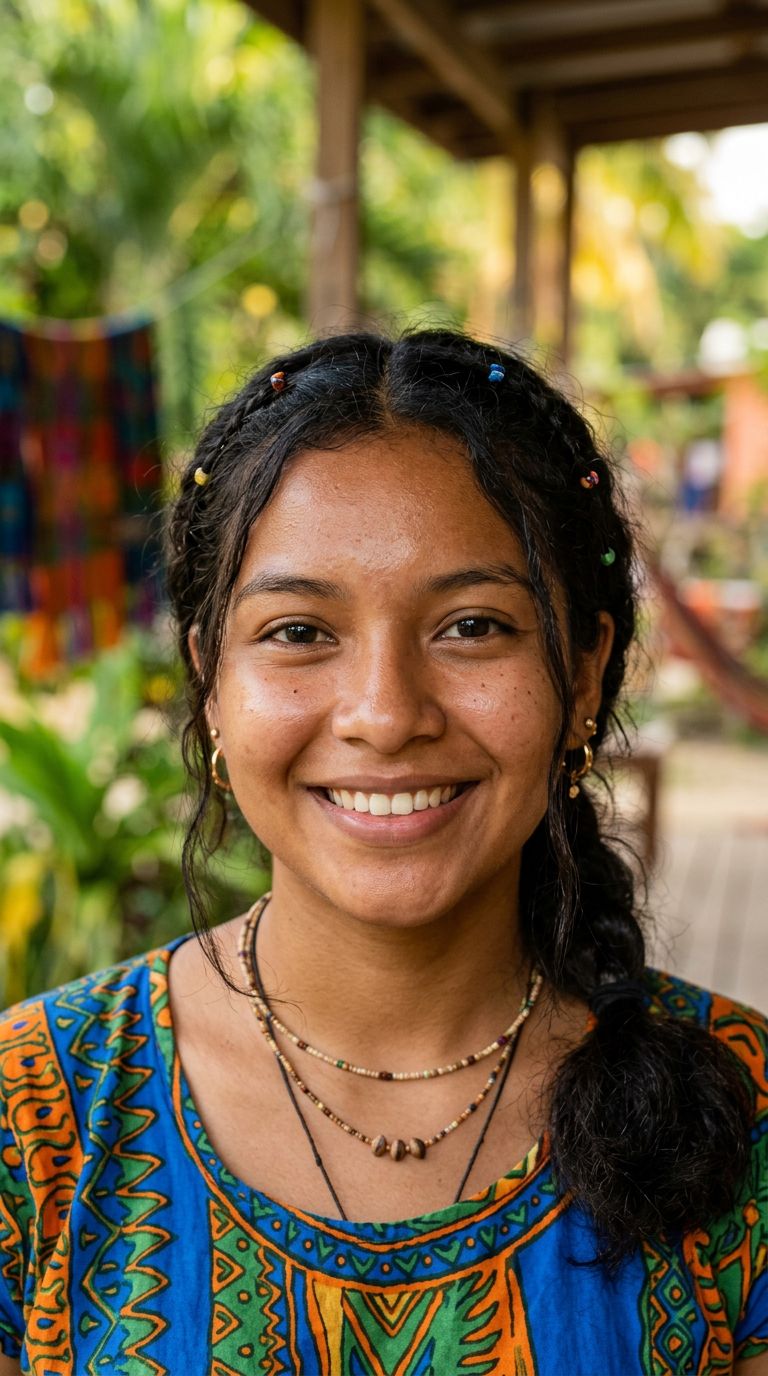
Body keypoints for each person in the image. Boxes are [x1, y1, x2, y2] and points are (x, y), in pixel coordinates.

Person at [0, 329, 765, 1376]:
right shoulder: (34, 1120)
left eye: (472, 626)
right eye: (299, 632)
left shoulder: (744, 1116)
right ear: (210, 682)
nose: (386, 713)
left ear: (585, 675)